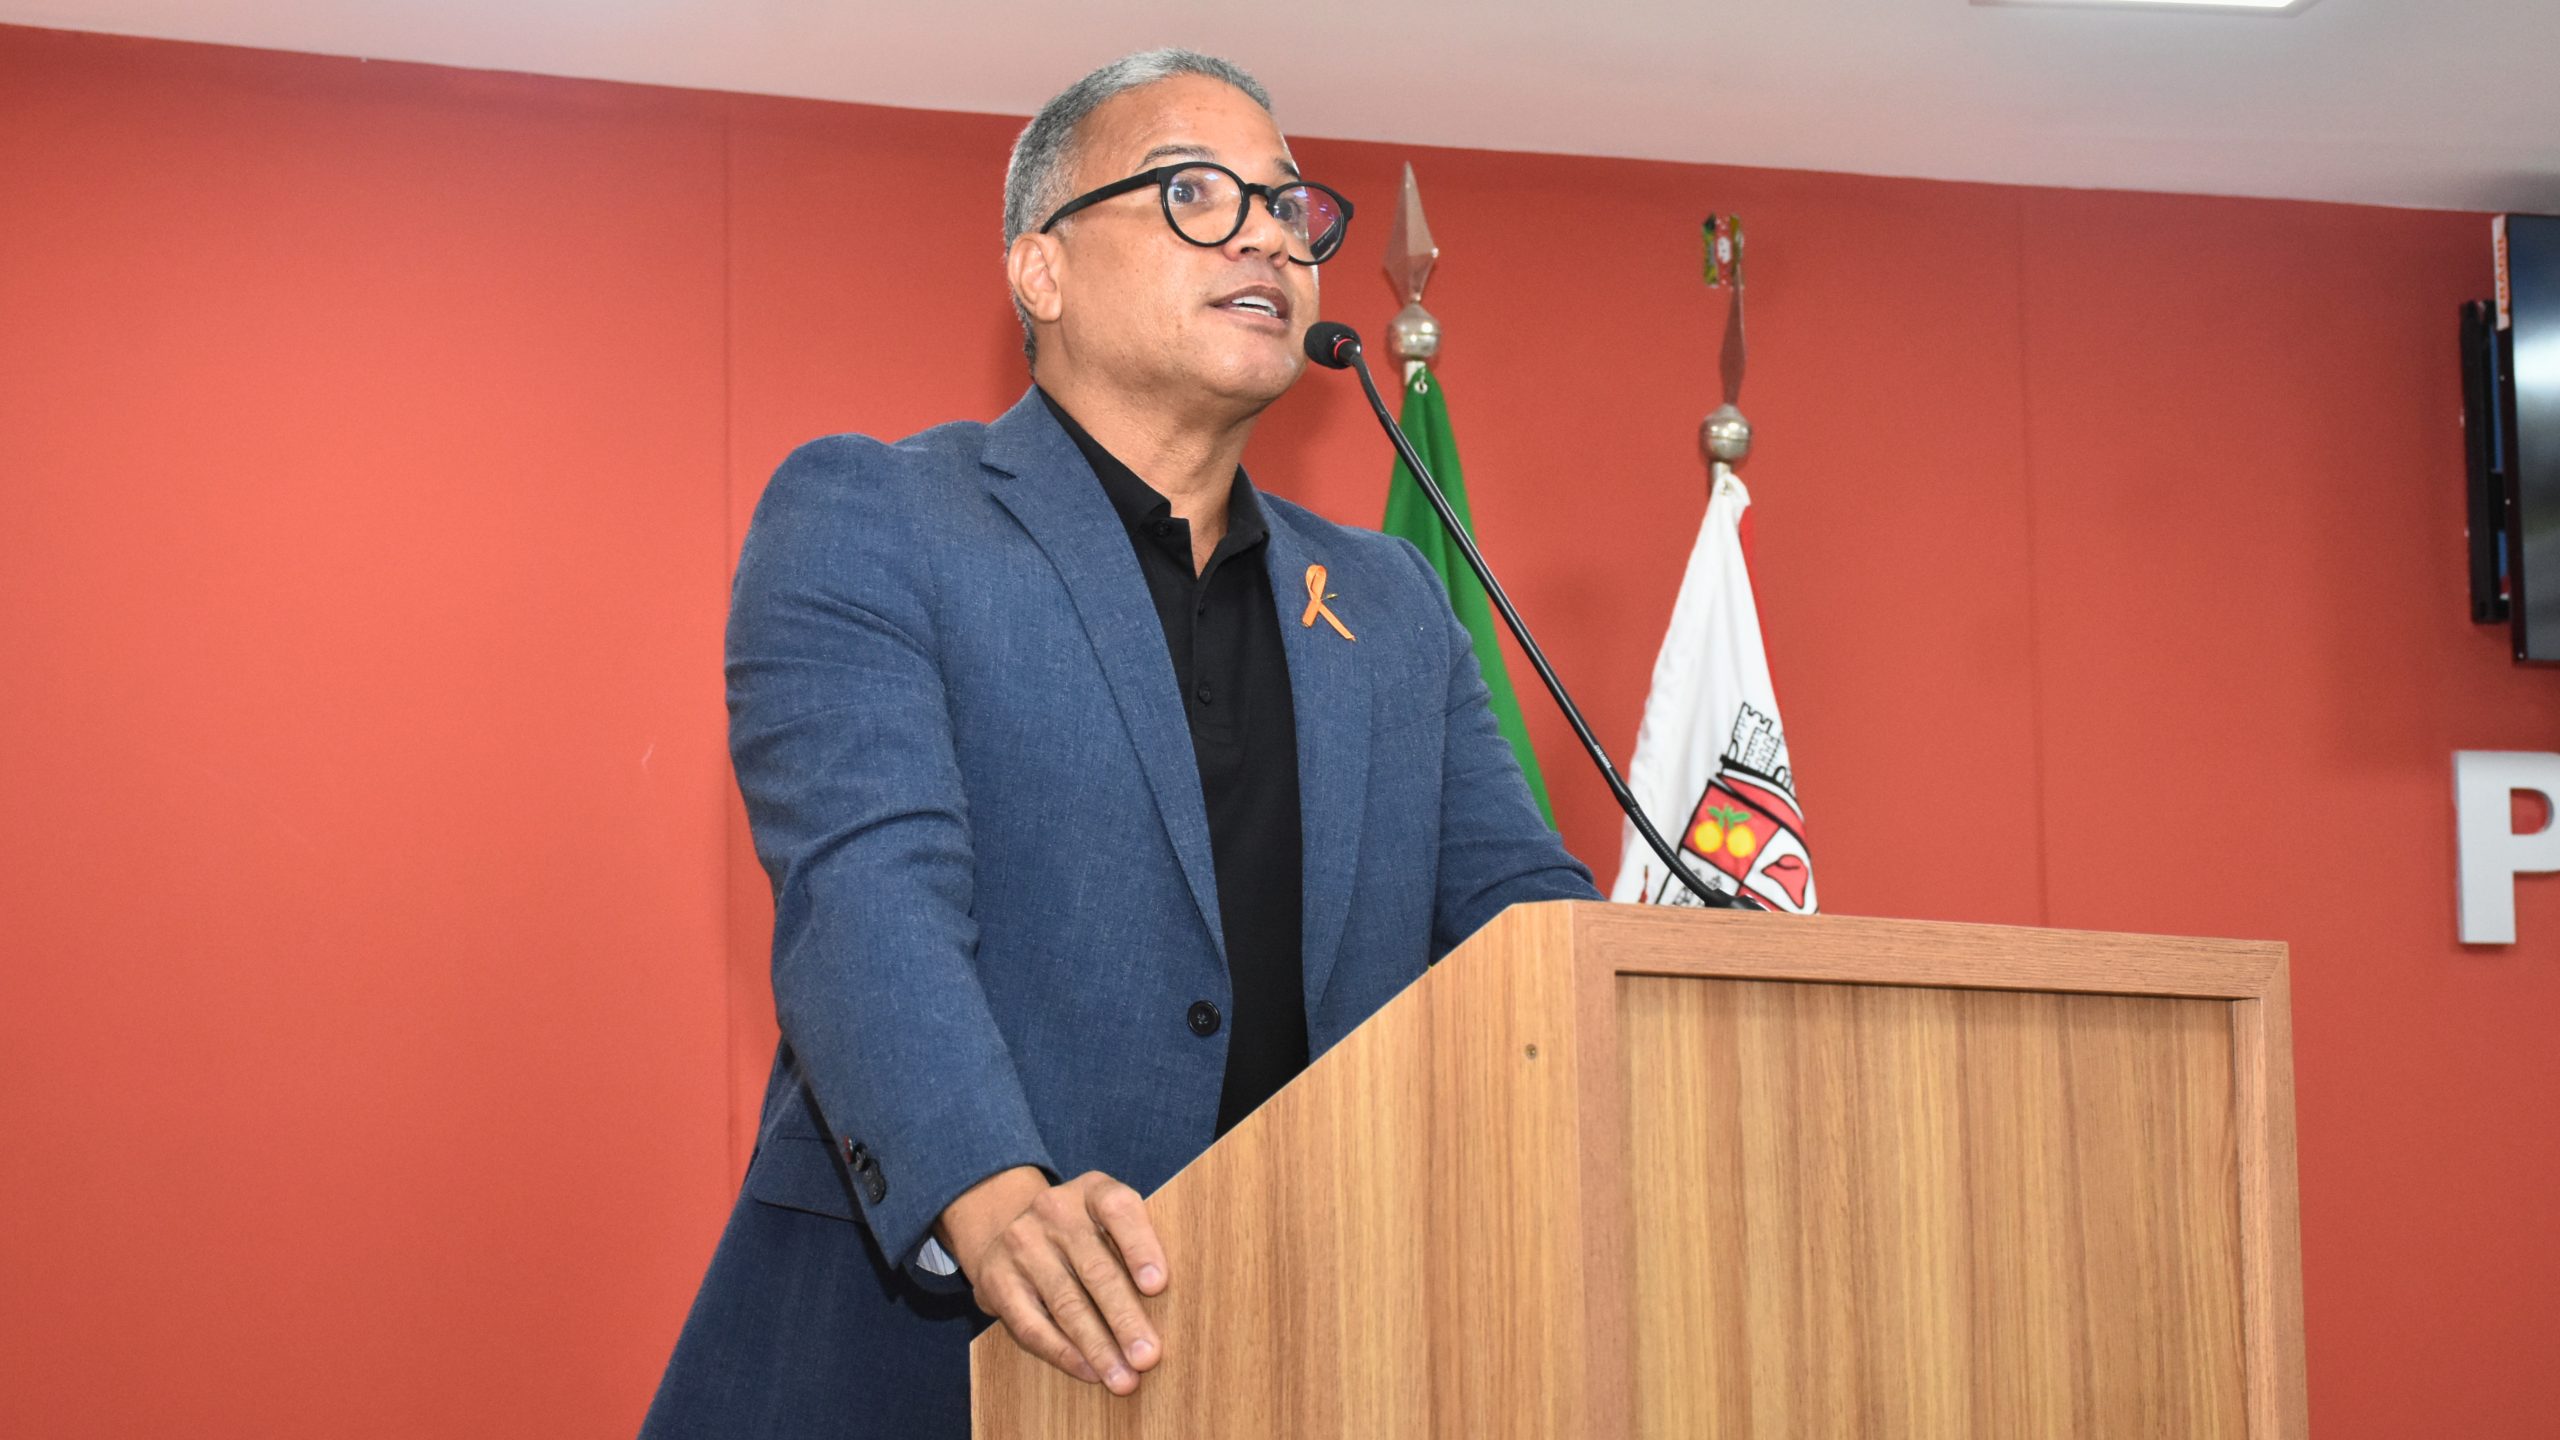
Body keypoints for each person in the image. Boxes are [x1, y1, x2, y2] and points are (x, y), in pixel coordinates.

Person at [639, 47, 1598, 1440]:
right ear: (1041, 269)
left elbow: (1530, 931)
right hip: (915, 1360)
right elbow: (867, 896)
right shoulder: (877, 517)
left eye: (1288, 205)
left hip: (1310, 1361)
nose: (1269, 235)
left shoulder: (1390, 603)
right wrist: (992, 1197)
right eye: (1195, 191)